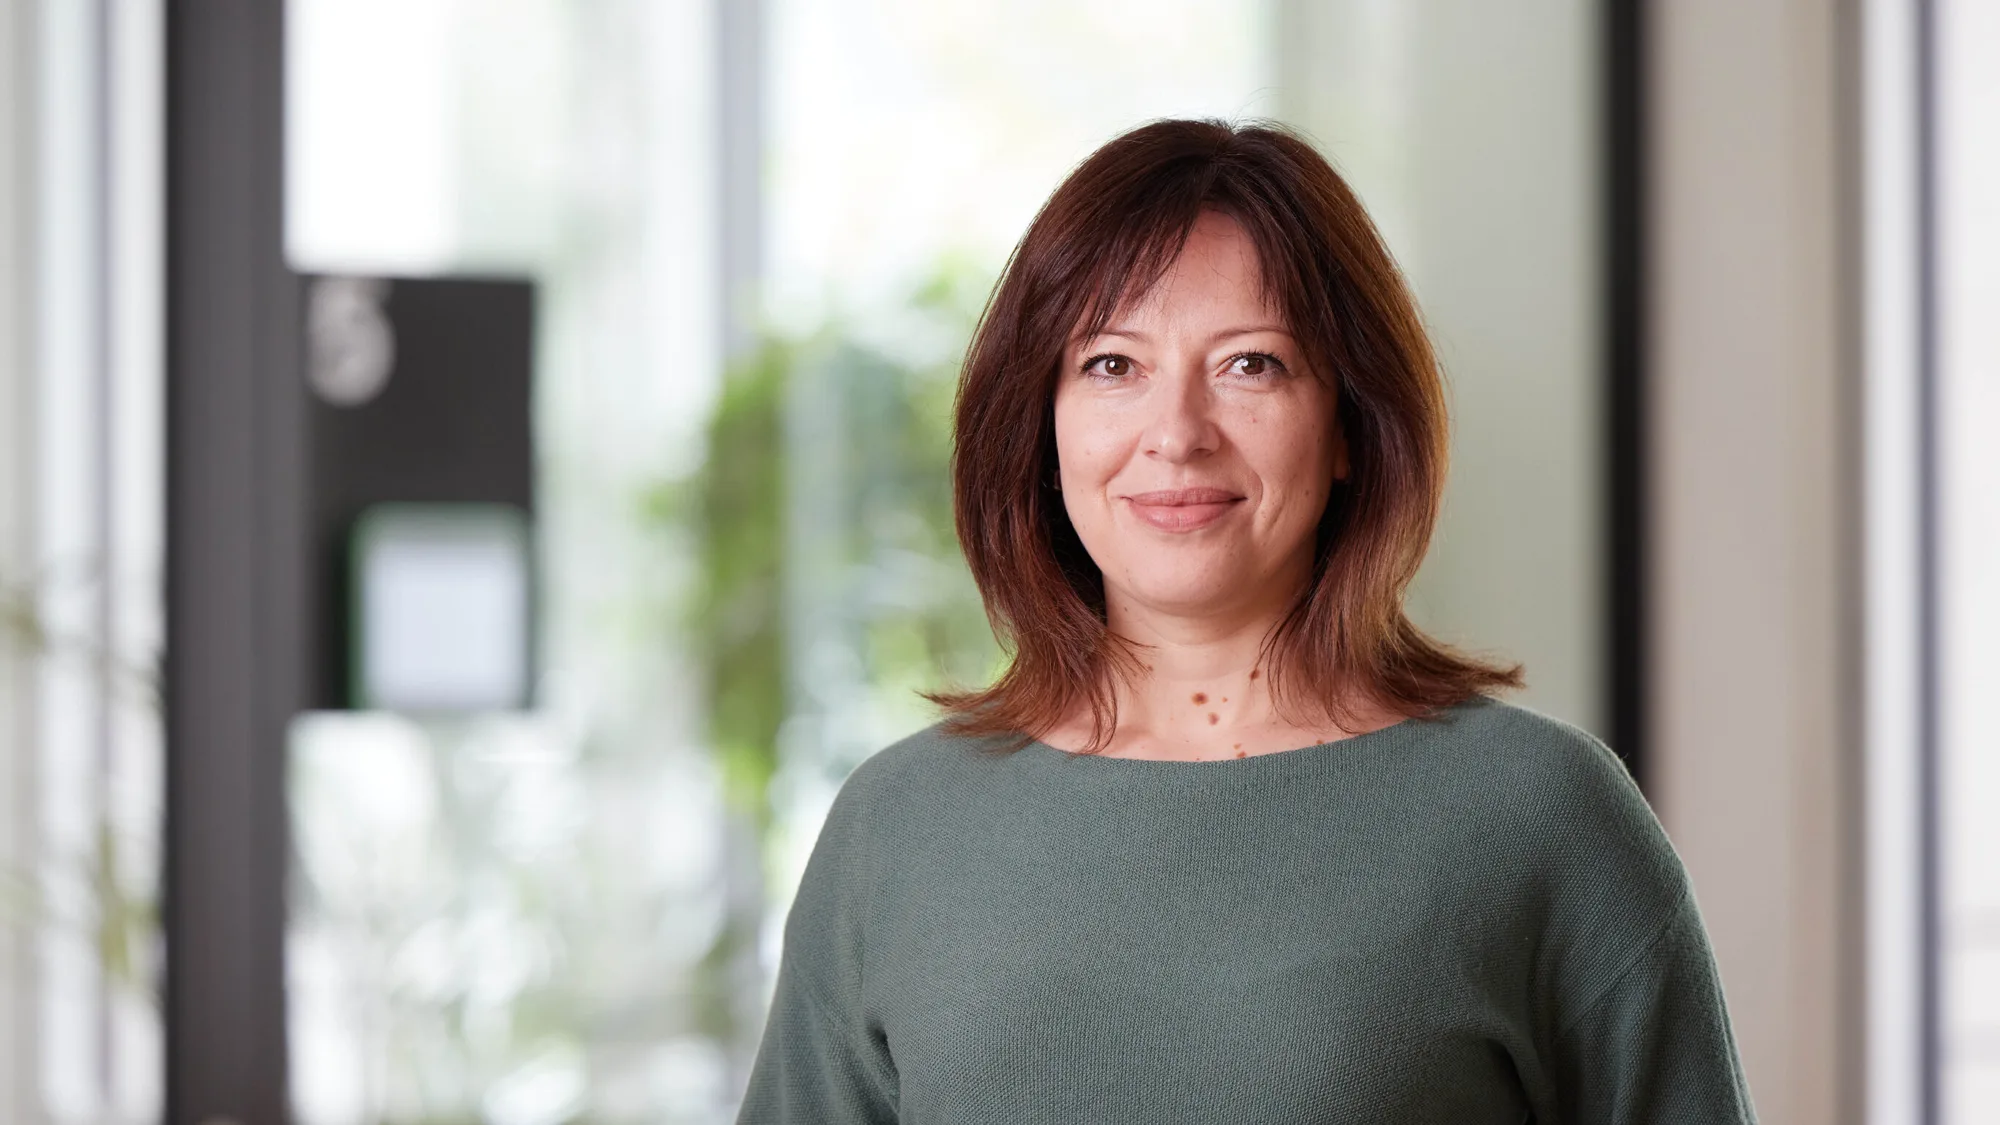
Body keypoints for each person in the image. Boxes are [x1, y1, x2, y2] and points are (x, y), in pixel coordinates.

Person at [734, 118, 1756, 1123]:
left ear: (1350, 422)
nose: (1175, 435)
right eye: (1110, 366)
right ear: (1041, 428)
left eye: (1248, 364)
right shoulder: (900, 826)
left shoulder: (1536, 815)